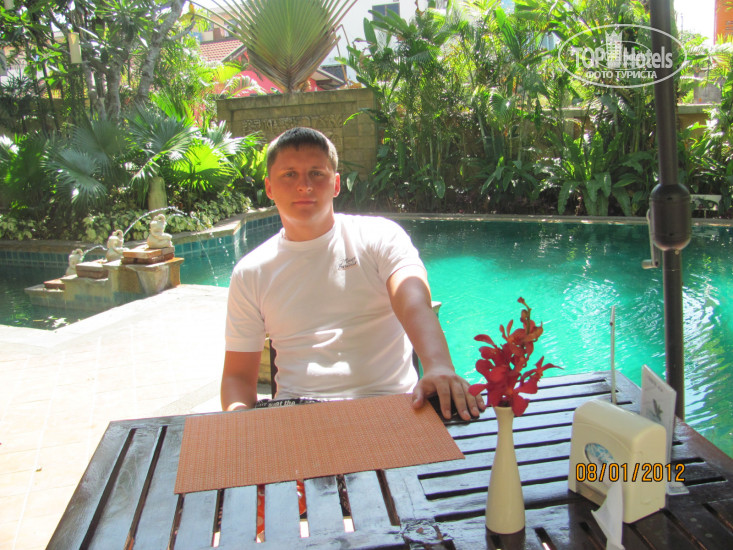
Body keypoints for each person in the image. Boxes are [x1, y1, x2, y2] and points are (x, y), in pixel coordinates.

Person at [221, 127, 484, 421]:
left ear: (335, 184)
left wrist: (438, 366)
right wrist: (237, 419)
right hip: (295, 415)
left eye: (316, 173)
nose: (304, 186)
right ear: (269, 188)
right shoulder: (251, 272)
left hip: (392, 407)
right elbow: (237, 379)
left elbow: (413, 300)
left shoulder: (379, 236)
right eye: (289, 174)